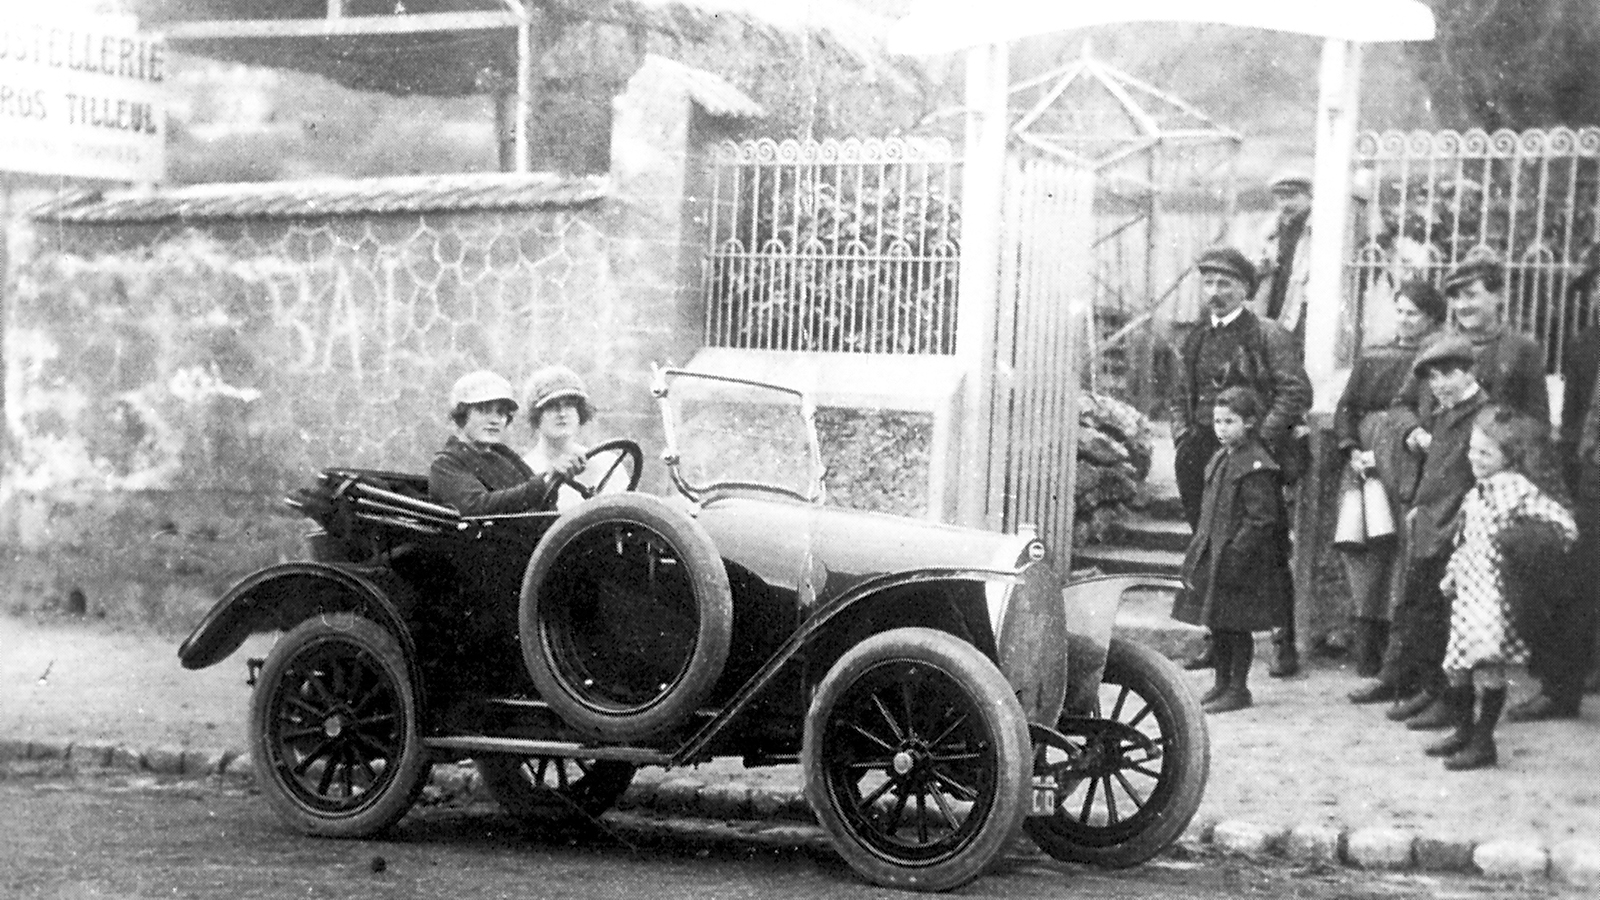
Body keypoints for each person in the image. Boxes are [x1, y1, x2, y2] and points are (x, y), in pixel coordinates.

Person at [1169, 246, 1311, 676]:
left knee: (1264, 550)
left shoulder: (1267, 334)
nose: (1215, 292)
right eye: (1209, 283)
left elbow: (1295, 392)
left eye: (1225, 284)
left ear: (1246, 289)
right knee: (1211, 550)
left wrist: (1259, 442)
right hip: (1201, 457)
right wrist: (1181, 437)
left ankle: (1284, 644)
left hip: (1251, 460)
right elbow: (1178, 396)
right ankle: (1218, 640)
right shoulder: (1194, 338)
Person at [1426, 406, 1576, 769]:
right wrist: (1452, 573)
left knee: (1486, 666)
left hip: (1494, 593)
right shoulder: (1476, 492)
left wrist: (1520, 541)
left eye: (1486, 453)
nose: (1475, 459)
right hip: (1468, 591)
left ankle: (1483, 741)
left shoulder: (1518, 490)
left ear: (1508, 457)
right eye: (1473, 450)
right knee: (1455, 666)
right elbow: (1465, 541)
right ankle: (1465, 730)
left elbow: (1564, 525)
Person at [1332, 281, 1447, 678]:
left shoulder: (1437, 360)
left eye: (1412, 313)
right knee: (1362, 548)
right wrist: (1351, 450)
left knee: (1401, 551)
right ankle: (1366, 645)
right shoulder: (1375, 354)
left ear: (1432, 318)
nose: (1403, 319)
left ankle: (1396, 654)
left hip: (1407, 462)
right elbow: (1346, 407)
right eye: (1399, 310)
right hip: (1364, 461)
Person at [1375, 336, 1490, 729]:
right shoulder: (1443, 413)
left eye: (1449, 374)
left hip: (1457, 530)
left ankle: (1452, 700)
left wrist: (1461, 522)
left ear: (1469, 372)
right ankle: (1430, 687)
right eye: (1433, 378)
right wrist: (1420, 507)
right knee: (1425, 612)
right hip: (1429, 524)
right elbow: (1435, 469)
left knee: (1451, 618)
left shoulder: (1483, 415)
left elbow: (1477, 477)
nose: (1440, 384)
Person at [1510, 251, 1600, 721]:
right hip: (1595, 477)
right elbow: (1574, 418)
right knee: (1579, 582)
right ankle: (1561, 689)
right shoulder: (1586, 344)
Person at [1172, 386, 1293, 714]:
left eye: (1230, 421)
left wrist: (1237, 554)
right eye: (1217, 421)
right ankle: (1221, 683)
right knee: (1219, 624)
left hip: (1242, 561)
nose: (1221, 428)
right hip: (1217, 554)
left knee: (1237, 627)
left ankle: (1238, 688)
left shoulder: (1256, 465)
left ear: (1250, 423)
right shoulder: (1220, 458)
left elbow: (1261, 519)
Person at [1394, 254, 1548, 428]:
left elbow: (1536, 422)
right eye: (1456, 297)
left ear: (1499, 296)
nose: (1461, 306)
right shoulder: (1435, 344)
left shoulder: (1521, 349)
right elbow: (1402, 405)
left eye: (1470, 295)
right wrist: (1412, 433)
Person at [428, 369, 585, 515]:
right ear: (462, 415)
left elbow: (543, 504)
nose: (495, 420)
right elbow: (475, 506)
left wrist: (553, 482)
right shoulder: (446, 464)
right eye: (484, 410)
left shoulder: (503, 456)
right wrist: (544, 482)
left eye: (501, 412)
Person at [523, 364, 597, 511]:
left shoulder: (605, 462)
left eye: (569, 405)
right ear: (536, 416)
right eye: (551, 406)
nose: (562, 413)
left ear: (580, 412)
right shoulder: (526, 470)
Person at [1254, 164, 1313, 345]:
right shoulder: (1268, 231)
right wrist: (1259, 267)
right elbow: (1252, 267)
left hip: (1303, 309)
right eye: (1281, 198)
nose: (1285, 204)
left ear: (1309, 197)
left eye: (1292, 197)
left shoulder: (1316, 229)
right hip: (1272, 304)